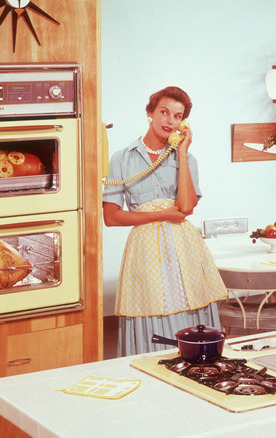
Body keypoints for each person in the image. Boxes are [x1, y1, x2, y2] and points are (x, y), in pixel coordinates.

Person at [102, 86, 228, 356]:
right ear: (150, 113)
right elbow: (111, 217)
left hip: (184, 247)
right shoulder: (122, 159)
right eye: (164, 112)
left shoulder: (188, 159)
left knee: (191, 304)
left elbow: (185, 207)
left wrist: (181, 153)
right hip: (145, 248)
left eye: (177, 116)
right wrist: (162, 215)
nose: (170, 120)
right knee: (149, 307)